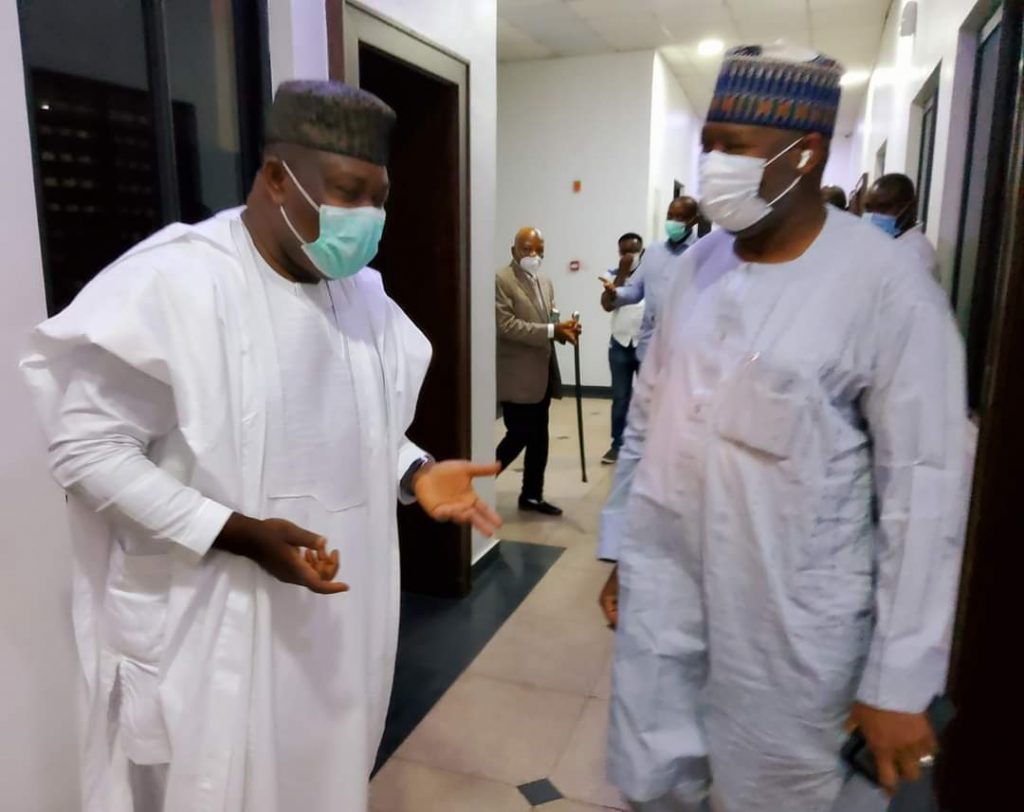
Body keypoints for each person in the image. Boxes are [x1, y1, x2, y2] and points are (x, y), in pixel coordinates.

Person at [21, 80, 503, 812]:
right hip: (216, 626)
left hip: (338, 627)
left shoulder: (362, 296)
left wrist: (415, 471)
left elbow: (357, 426)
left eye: (379, 198)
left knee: (326, 784)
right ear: (277, 176)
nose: (367, 219)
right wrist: (236, 532)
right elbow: (85, 448)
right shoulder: (176, 281)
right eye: (348, 192)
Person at [598, 44, 970, 812]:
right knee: (656, 780)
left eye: (733, 147)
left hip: (792, 631)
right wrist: (624, 550)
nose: (712, 165)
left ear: (805, 154)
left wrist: (898, 680)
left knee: (775, 793)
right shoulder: (695, 268)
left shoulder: (887, 288)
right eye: (708, 145)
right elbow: (648, 421)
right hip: (668, 596)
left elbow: (925, 493)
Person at [495, 226, 580, 516]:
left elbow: (550, 320)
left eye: (539, 250)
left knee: (539, 438)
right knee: (518, 434)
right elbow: (506, 326)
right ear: (513, 250)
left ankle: (532, 495)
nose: (534, 255)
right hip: (517, 375)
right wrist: (552, 330)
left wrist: (564, 330)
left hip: (542, 372)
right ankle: (476, 483)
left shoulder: (545, 281)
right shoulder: (501, 279)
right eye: (527, 249)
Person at [601, 196, 700, 363]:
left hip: (682, 348)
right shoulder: (654, 251)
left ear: (694, 220)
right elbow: (636, 290)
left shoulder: (702, 252)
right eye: (670, 216)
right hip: (649, 347)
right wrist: (616, 293)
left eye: (680, 217)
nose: (673, 222)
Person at [601, 232, 645, 465]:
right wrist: (622, 274)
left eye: (633, 251)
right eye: (624, 251)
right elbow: (607, 305)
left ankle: (646, 446)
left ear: (641, 252)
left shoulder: (650, 275)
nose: (628, 255)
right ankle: (617, 445)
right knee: (620, 398)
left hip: (645, 345)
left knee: (647, 399)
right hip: (619, 344)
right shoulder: (611, 274)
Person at [863, 173, 938, 275]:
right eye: (868, 208)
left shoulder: (916, 253)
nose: (873, 215)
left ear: (909, 208)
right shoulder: (887, 240)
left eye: (883, 208)